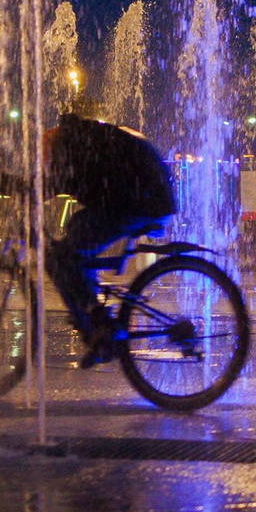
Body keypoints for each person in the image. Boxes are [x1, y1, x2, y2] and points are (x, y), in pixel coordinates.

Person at [42, 109, 175, 363]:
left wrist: (6, 183)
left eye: (44, 157)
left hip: (142, 202)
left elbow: (44, 188)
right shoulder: (80, 144)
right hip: (144, 197)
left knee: (61, 258)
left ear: (54, 147)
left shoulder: (75, 153)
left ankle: (102, 325)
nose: (44, 163)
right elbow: (48, 186)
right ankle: (95, 323)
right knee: (75, 234)